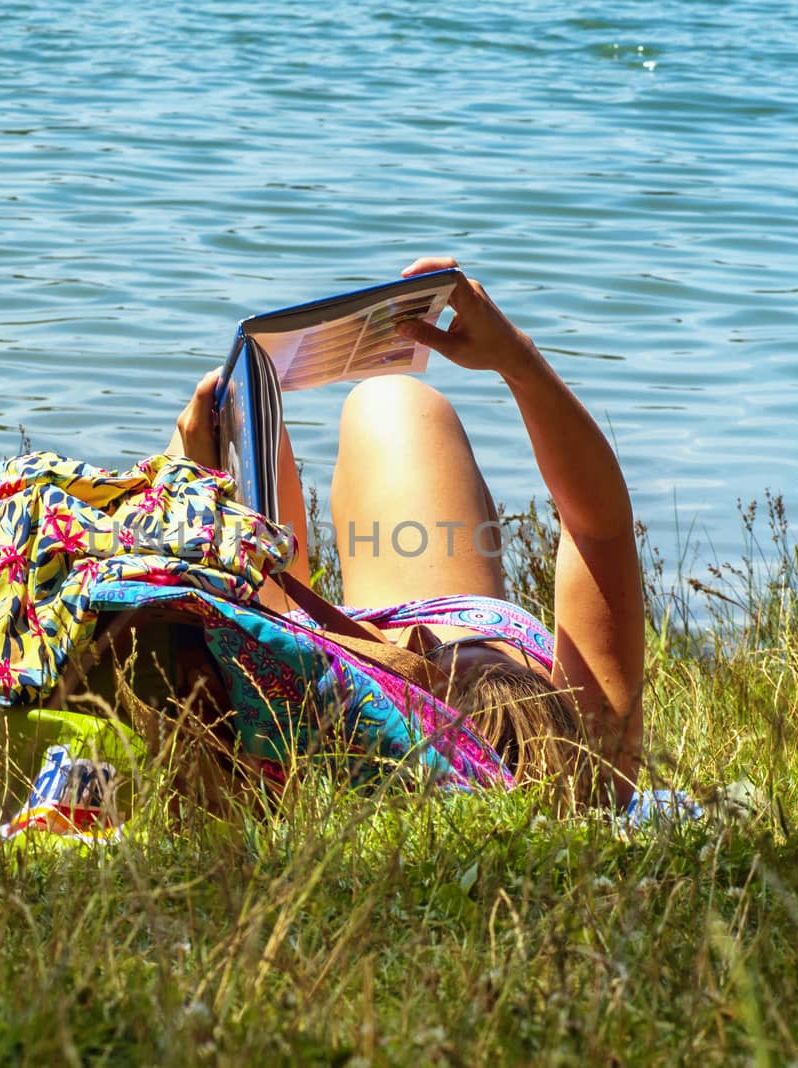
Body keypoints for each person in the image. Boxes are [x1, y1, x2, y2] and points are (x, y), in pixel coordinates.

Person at [170, 257, 644, 808]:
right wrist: (517, 360)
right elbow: (600, 528)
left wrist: (200, 490)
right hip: (408, 655)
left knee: (308, 418)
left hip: (319, 667)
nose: (421, 636)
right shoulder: (589, 761)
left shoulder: (327, 746)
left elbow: (227, 633)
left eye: (426, 658)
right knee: (389, 401)